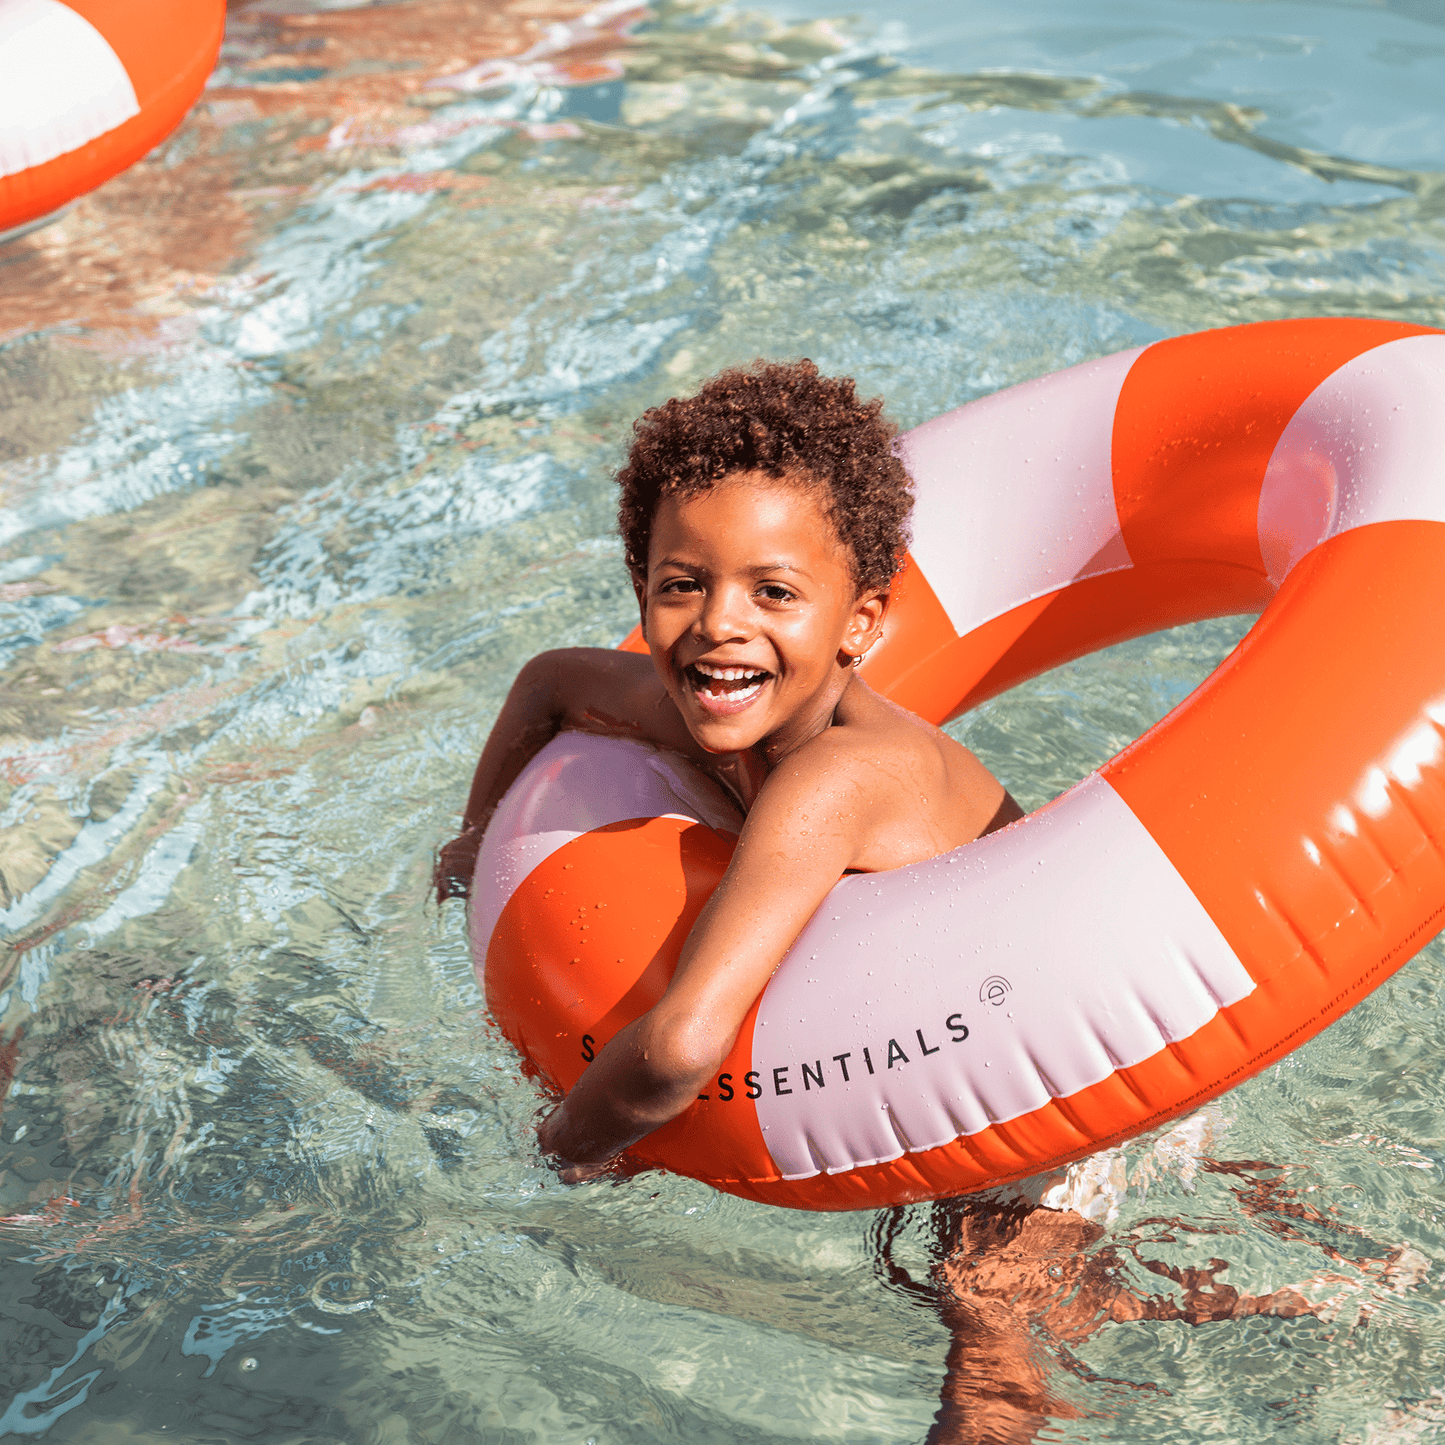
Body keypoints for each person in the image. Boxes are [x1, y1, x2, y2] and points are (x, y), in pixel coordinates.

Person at [436, 357, 1022, 1174]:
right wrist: (467, 850)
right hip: (921, 1048)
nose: (720, 624)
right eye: (682, 584)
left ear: (860, 623)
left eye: (773, 593)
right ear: (639, 592)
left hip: (1029, 1064)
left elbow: (679, 1048)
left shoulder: (833, 778)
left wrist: (553, 1155)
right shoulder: (719, 703)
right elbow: (550, 685)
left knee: (979, 1293)